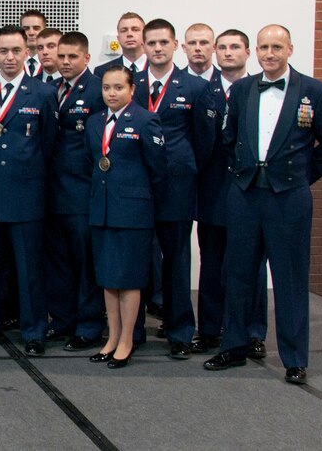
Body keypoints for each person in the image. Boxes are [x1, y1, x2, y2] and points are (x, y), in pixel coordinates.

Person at [204, 24, 322, 385]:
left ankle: (295, 358)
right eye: (264, 47)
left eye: (276, 47)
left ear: (290, 50)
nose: (269, 53)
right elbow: (228, 136)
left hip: (289, 199)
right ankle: (234, 346)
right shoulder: (244, 89)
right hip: (245, 196)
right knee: (237, 274)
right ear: (257, 52)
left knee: (290, 279)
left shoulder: (316, 91)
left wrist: (301, 177)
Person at [0, 25, 56, 355]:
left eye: (16, 51)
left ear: (26, 53)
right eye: (2, 51)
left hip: (26, 194)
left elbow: (48, 145)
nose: (8, 57)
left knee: (28, 267)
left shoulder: (42, 93)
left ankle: (34, 331)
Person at [133, 19, 216, 359]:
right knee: (136, 259)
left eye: (163, 42)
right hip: (136, 186)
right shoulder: (131, 85)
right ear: (143, 45)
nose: (157, 48)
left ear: (175, 45)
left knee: (177, 261)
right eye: (151, 42)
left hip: (177, 188)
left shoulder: (193, 87)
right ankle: (133, 330)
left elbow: (205, 140)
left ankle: (180, 331)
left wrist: (185, 168)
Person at [192, 29, 269, 355]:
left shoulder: (260, 90)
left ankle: (252, 332)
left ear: (247, 52)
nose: (227, 52)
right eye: (221, 47)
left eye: (234, 47)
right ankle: (209, 329)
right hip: (212, 191)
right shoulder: (202, 92)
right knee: (211, 264)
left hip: (250, 192)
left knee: (251, 264)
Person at [87, 66, 168, 369]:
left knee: (129, 279)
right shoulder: (95, 122)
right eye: (107, 88)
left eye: (118, 87)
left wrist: (137, 196)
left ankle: (127, 340)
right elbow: (91, 163)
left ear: (132, 90)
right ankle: (112, 337)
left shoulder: (146, 121)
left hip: (133, 211)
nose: (111, 93)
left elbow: (158, 168)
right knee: (108, 278)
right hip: (102, 209)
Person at [44, 31, 106, 351]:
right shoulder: (52, 88)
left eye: (72, 57)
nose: (65, 62)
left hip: (82, 190)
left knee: (85, 262)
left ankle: (89, 324)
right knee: (58, 261)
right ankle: (63, 318)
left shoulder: (97, 91)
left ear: (86, 58)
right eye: (61, 56)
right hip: (53, 191)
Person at [94, 13, 146, 77]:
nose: (129, 34)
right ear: (118, 38)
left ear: (145, 35)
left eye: (135, 29)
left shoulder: (158, 67)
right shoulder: (102, 71)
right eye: (124, 30)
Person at [20, 9, 47, 78]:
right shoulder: (12, 62)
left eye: (36, 28)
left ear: (44, 30)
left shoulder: (53, 62)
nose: (31, 33)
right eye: (26, 29)